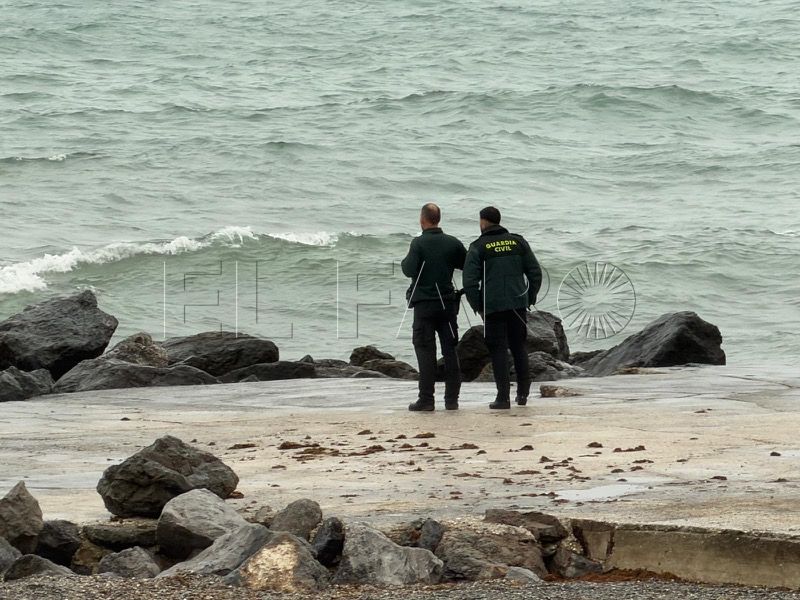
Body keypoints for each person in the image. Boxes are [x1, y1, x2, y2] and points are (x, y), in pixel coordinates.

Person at [462, 206, 542, 409]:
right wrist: (529, 298)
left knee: (498, 350)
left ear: (483, 222)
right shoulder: (518, 242)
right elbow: (535, 272)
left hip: (493, 306)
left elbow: (470, 282)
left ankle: (503, 398)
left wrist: (478, 306)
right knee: (519, 347)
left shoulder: (478, 246)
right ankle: (523, 394)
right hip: (517, 304)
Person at [401, 203, 467, 411]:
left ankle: (427, 399)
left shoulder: (418, 243)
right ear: (438, 219)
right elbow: (467, 265)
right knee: (450, 350)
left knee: (425, 350)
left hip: (425, 305)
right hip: (447, 304)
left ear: (422, 219)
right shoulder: (453, 242)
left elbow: (409, 269)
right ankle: (452, 400)